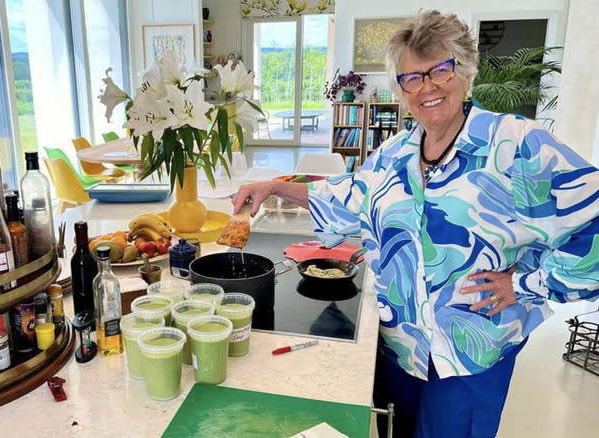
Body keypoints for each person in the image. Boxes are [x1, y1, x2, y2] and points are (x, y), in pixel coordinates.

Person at [233, 10, 599, 438]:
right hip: (398, 348)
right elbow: (351, 194)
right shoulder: (395, 153)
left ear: (465, 72)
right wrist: (276, 186)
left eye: (440, 70)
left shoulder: (519, 145)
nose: (427, 87)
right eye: (411, 77)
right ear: (401, 89)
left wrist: (524, 285)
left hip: (469, 355)